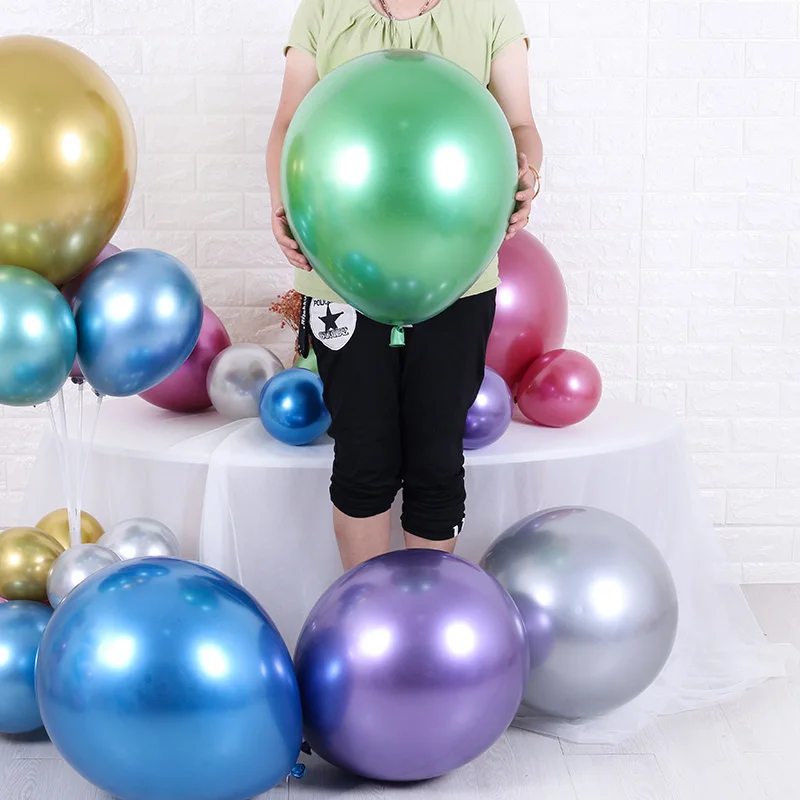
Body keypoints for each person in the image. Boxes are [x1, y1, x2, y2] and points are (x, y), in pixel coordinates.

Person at [267, 0, 542, 571]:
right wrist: (282, 204)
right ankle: (364, 610)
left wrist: (526, 174)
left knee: (436, 458)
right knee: (362, 455)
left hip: (456, 276)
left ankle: (428, 612)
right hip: (339, 272)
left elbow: (519, 125)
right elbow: (290, 123)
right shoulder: (324, 8)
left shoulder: (489, 10)